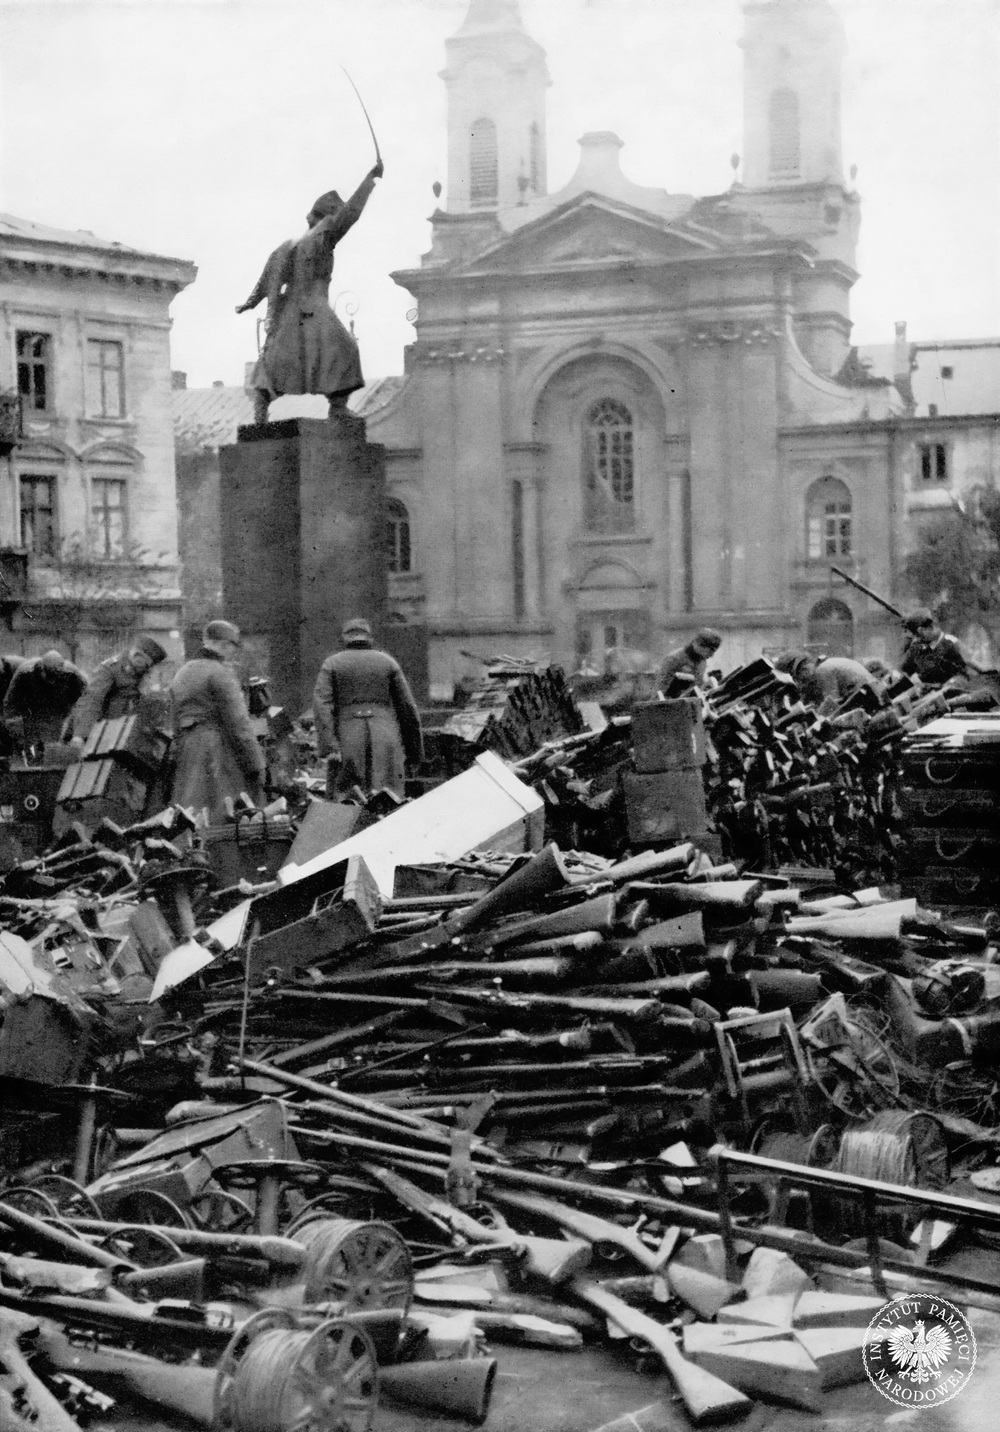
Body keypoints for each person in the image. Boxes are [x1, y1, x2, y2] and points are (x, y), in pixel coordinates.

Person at [236, 161, 384, 425]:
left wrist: (250, 302)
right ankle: (337, 407)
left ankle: (261, 408)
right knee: (344, 349)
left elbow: (267, 279)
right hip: (314, 306)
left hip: (290, 310)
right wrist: (369, 181)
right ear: (329, 214)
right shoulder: (324, 233)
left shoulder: (289, 245)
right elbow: (352, 213)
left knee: (280, 359)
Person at [313, 618, 423, 800]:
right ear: (370, 638)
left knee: (347, 799)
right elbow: (408, 709)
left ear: (344, 638)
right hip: (385, 736)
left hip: (348, 737)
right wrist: (414, 752)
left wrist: (329, 746)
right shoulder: (388, 662)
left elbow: (321, 706)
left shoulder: (331, 664)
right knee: (389, 798)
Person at [168, 620, 266, 823]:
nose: (233, 652)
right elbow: (239, 725)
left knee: (190, 815)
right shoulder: (221, 673)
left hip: (188, 752)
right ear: (224, 644)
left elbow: (175, 723)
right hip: (217, 753)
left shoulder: (182, 673)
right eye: (233, 646)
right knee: (224, 816)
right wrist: (257, 764)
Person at [69, 635, 168, 744]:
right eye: (145, 666)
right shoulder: (110, 669)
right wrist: (81, 735)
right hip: (100, 732)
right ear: (137, 657)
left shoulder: (139, 673)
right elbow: (91, 701)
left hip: (121, 732)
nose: (147, 670)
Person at [3, 649, 88, 749]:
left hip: (60, 709)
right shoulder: (24, 671)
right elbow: (11, 701)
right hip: (34, 709)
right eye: (50, 676)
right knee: (32, 743)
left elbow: (87, 697)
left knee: (54, 744)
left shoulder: (72, 672)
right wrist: (13, 723)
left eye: (57, 676)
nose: (52, 682)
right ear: (41, 669)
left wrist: (76, 723)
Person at [775, 650, 879, 712]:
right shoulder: (827, 665)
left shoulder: (823, 671)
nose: (800, 683)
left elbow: (831, 705)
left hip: (870, 700)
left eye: (798, 679)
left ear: (804, 670)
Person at [900, 609, 969, 688]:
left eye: (932, 624)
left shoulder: (951, 644)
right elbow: (903, 670)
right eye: (927, 627)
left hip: (951, 692)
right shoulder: (917, 648)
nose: (932, 627)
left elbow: (966, 674)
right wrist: (912, 681)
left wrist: (951, 684)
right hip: (925, 692)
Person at [657, 628, 722, 699]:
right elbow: (659, 690)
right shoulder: (674, 659)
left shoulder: (702, 661)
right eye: (710, 650)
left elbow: (699, 686)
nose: (711, 655)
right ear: (697, 644)